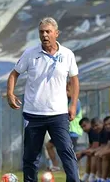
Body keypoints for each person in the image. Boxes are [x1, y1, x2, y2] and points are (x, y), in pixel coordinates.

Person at [6, 17, 80, 182]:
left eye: (48, 31)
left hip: (59, 114)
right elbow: (14, 73)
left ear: (56, 33)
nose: (44, 35)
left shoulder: (67, 54)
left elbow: (74, 80)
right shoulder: (30, 54)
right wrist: (10, 94)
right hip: (33, 114)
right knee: (31, 158)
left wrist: (73, 104)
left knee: (67, 153)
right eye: (41, 32)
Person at [45, 82, 83, 171]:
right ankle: (55, 166)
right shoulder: (65, 101)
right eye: (64, 89)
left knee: (69, 151)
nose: (65, 92)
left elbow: (70, 115)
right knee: (49, 145)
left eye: (68, 90)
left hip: (72, 132)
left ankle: (73, 168)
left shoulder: (76, 102)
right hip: (62, 131)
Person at [78, 117, 103, 182]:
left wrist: (81, 153)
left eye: (84, 126)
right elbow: (90, 147)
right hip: (101, 150)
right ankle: (87, 175)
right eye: (82, 127)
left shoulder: (93, 132)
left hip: (102, 151)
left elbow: (95, 147)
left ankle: (92, 176)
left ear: (89, 123)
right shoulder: (90, 132)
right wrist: (82, 153)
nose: (83, 128)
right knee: (89, 153)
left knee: (93, 154)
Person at [94, 116, 110, 182]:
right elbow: (108, 145)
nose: (107, 126)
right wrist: (100, 153)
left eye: (109, 124)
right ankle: (102, 179)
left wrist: (103, 152)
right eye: (106, 125)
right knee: (100, 154)